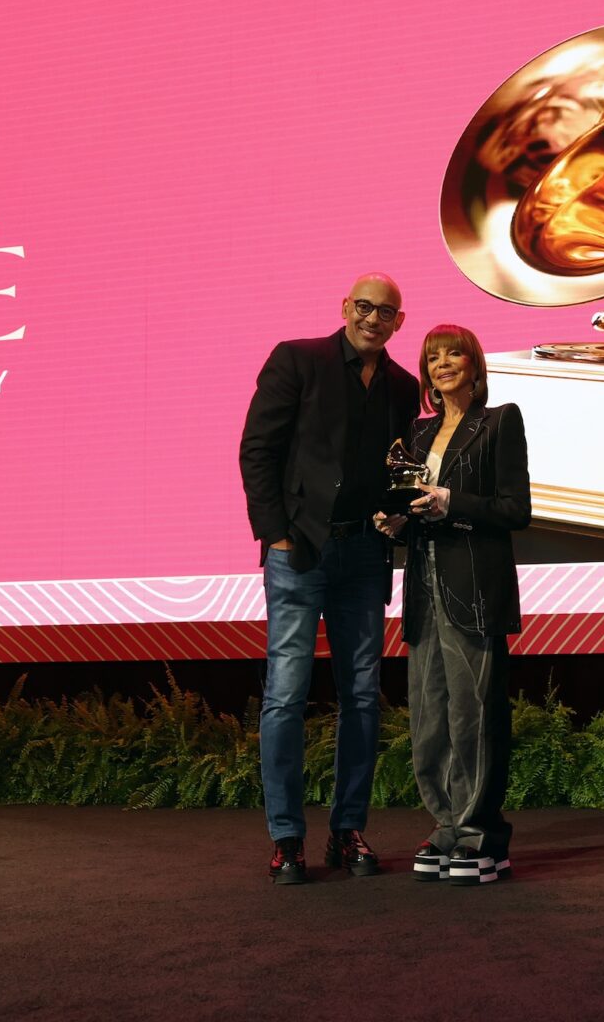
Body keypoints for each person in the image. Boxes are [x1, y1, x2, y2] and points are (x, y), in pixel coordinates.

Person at [239, 273, 420, 885]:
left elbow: (399, 468)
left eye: (385, 311)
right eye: (364, 306)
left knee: (363, 698)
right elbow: (257, 449)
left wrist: (397, 517)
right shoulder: (298, 360)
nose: (373, 317)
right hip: (300, 555)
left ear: (399, 321)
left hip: (365, 559)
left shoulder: (403, 385)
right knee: (286, 696)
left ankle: (348, 833)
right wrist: (278, 534)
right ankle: (287, 839)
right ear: (345, 308)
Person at [376, 324, 530, 886]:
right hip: (424, 588)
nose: (443, 363)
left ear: (473, 362)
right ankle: (445, 826)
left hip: (475, 588)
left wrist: (451, 501)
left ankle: (481, 834)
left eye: (453, 353)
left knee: (474, 715)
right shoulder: (414, 437)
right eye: (432, 357)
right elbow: (413, 510)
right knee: (430, 717)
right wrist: (394, 521)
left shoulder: (500, 421)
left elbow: (516, 509)